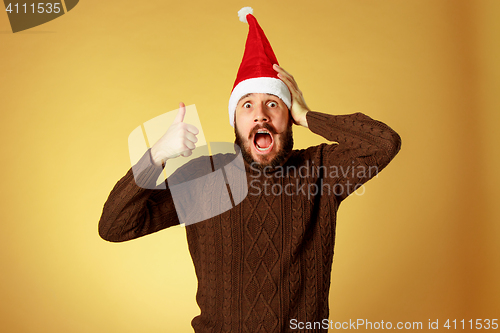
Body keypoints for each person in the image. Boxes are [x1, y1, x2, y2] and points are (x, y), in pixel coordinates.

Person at [98, 7, 401, 333]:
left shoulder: (320, 170)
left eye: (273, 103)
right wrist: (155, 156)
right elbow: (115, 227)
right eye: (247, 105)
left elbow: (384, 144)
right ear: (236, 121)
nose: (260, 115)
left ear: (289, 117)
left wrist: (309, 115)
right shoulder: (203, 176)